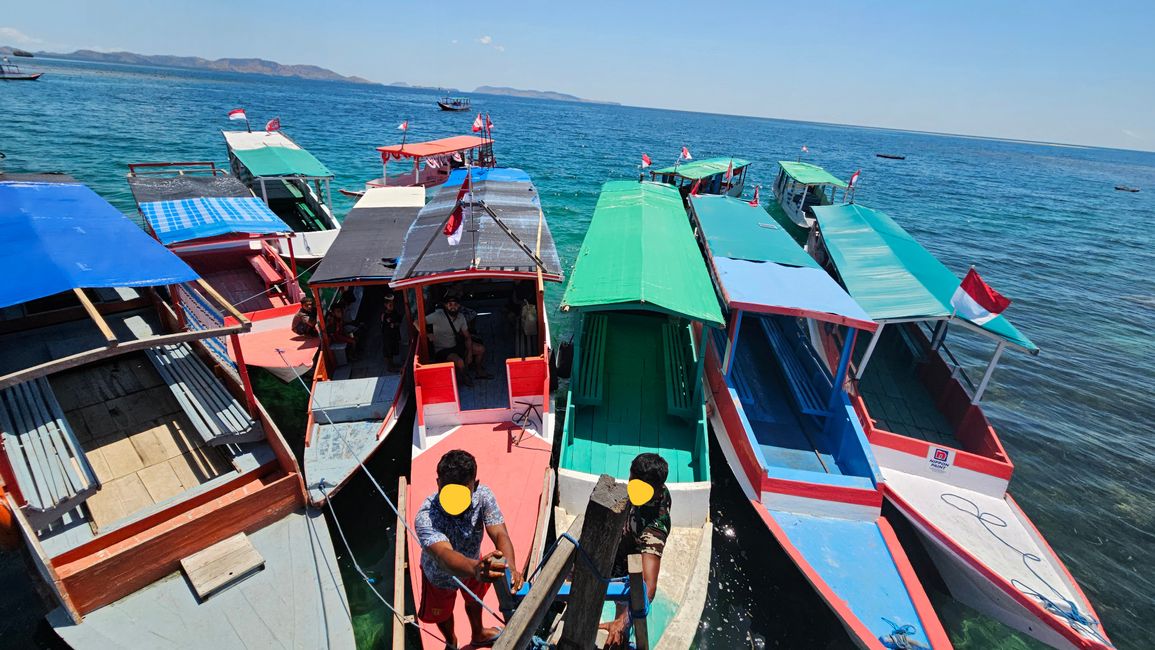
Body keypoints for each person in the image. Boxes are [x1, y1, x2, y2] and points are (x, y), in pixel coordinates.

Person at [414, 449, 523, 649]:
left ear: (476, 485)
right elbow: (443, 555)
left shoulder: (484, 496)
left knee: (475, 600)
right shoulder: (426, 517)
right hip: (440, 576)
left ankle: (478, 634)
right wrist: (475, 569)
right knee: (443, 613)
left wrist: (511, 567)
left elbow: (500, 533)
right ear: (438, 483)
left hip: (476, 565)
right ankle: (451, 641)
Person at [601, 453, 671, 649]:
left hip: (626, 565)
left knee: (622, 609)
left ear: (655, 489)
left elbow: (648, 588)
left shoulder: (654, 530)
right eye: (631, 480)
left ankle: (619, 634)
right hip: (620, 542)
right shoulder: (659, 490)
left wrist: (623, 621)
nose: (631, 487)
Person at [426, 291, 490, 387]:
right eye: (450, 304)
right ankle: (464, 377)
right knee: (459, 362)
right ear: (445, 305)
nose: (453, 306)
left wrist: (469, 353)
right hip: (442, 349)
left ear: (459, 306)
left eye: (455, 304)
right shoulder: (437, 315)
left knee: (480, 349)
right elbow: (417, 322)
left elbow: (467, 336)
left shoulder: (460, 317)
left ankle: (479, 370)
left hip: (456, 345)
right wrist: (427, 334)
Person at [380, 290, 404, 373]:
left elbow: (399, 319)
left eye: (392, 304)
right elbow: (387, 325)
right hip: (387, 336)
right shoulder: (384, 315)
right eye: (389, 304)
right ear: (385, 305)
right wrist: (393, 324)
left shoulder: (394, 312)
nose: (391, 306)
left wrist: (396, 324)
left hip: (394, 334)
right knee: (388, 350)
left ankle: (393, 364)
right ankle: (390, 367)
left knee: (393, 349)